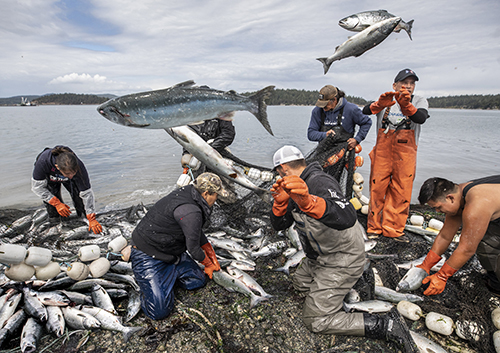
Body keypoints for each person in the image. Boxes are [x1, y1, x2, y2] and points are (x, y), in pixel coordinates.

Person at [269, 145, 417, 352]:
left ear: (282, 169)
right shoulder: (291, 187)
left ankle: (385, 325)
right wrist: (279, 205)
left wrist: (309, 202)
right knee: (300, 285)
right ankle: (357, 280)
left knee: (315, 319)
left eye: (277, 171)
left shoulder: (319, 182)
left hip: (342, 257)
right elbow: (279, 225)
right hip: (318, 257)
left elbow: (347, 216)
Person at [129, 172, 226, 320]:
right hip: (148, 253)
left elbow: (195, 231)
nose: (217, 198)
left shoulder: (192, 193)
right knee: (159, 311)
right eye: (216, 195)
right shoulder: (190, 210)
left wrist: (211, 253)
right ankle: (147, 286)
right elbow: (193, 249)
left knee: (197, 281)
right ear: (206, 193)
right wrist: (207, 263)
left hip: (172, 251)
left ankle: (164, 278)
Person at [363, 68, 429, 240]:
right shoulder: (386, 99)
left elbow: (421, 118)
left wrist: (407, 106)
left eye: (411, 83)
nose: (408, 86)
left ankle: (393, 230)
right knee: (377, 189)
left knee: (401, 192)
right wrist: (379, 104)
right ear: (395, 85)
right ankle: (374, 228)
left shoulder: (419, 100)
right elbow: (365, 110)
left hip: (405, 155)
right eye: (404, 83)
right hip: (382, 153)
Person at [416, 176, 500, 296]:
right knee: (484, 240)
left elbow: (466, 249)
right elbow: (445, 236)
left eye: (438, 207)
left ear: (450, 198)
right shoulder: (458, 196)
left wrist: (442, 276)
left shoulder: (477, 205)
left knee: (483, 242)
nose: (438, 212)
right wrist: (426, 264)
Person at [31, 146, 102, 233]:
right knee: (54, 211)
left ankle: (82, 219)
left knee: (79, 200)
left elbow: (87, 193)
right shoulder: (43, 162)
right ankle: (56, 227)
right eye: (68, 174)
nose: (71, 176)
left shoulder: (78, 167)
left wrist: (92, 218)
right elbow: (37, 187)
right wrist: (57, 203)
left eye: (74, 173)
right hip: (50, 177)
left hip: (68, 175)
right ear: (57, 167)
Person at [308, 85, 372, 151]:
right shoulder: (317, 111)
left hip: (345, 152)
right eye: (321, 104)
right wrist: (325, 135)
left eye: (325, 104)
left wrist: (357, 139)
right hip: (322, 153)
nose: (323, 107)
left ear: (334, 100)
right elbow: (311, 134)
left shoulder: (351, 109)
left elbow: (367, 122)